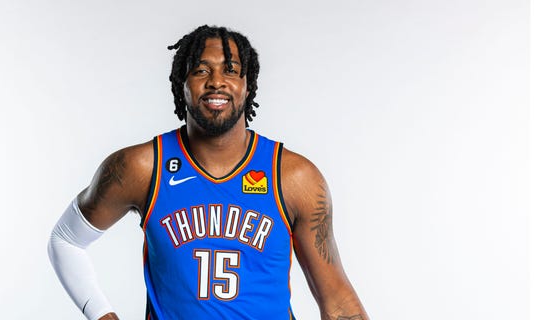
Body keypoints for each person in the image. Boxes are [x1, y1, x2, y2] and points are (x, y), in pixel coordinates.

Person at [48, 25, 368, 320]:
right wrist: (101, 314)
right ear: (181, 84)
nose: (216, 81)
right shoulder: (142, 167)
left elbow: (337, 300)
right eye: (201, 70)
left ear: (248, 85)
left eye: (231, 70)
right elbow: (65, 240)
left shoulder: (294, 177)